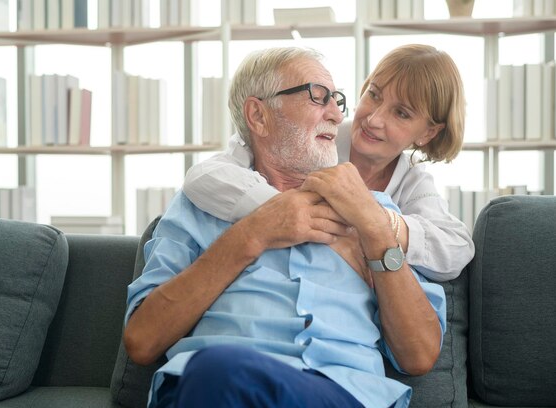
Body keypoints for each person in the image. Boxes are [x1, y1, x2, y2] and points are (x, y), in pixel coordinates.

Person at [124, 46, 446, 408]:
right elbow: (142, 340)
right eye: (317, 97)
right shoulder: (201, 204)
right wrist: (254, 233)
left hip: (338, 396)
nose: (338, 114)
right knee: (216, 372)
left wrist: (375, 231)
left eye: (337, 100)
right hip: (214, 386)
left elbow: (419, 355)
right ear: (258, 116)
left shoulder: (376, 214)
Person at [183, 43, 474, 284]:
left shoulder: (412, 180)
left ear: (427, 133)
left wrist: (373, 220)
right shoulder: (315, 137)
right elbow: (204, 176)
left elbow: (456, 249)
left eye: (401, 113)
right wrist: (292, 214)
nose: (373, 119)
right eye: (373, 95)